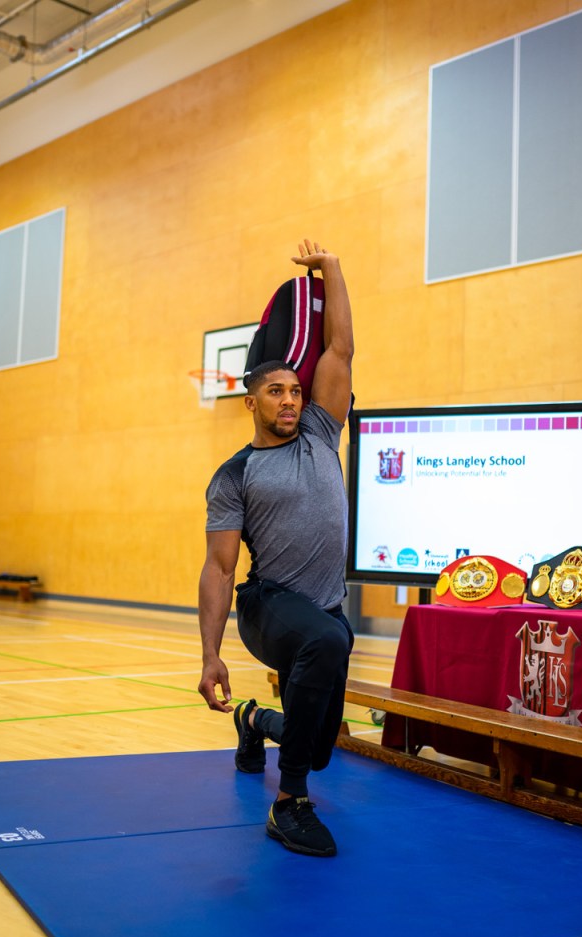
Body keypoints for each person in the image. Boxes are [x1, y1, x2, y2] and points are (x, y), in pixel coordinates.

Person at [197, 238, 354, 858]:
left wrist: (332, 270)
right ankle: (288, 805)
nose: (291, 399)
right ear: (251, 402)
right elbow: (217, 569)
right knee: (326, 639)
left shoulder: (321, 431)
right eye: (277, 393)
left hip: (324, 611)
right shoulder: (234, 475)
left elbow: (339, 347)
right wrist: (211, 657)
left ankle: (254, 723)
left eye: (296, 390)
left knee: (316, 745)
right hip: (269, 607)